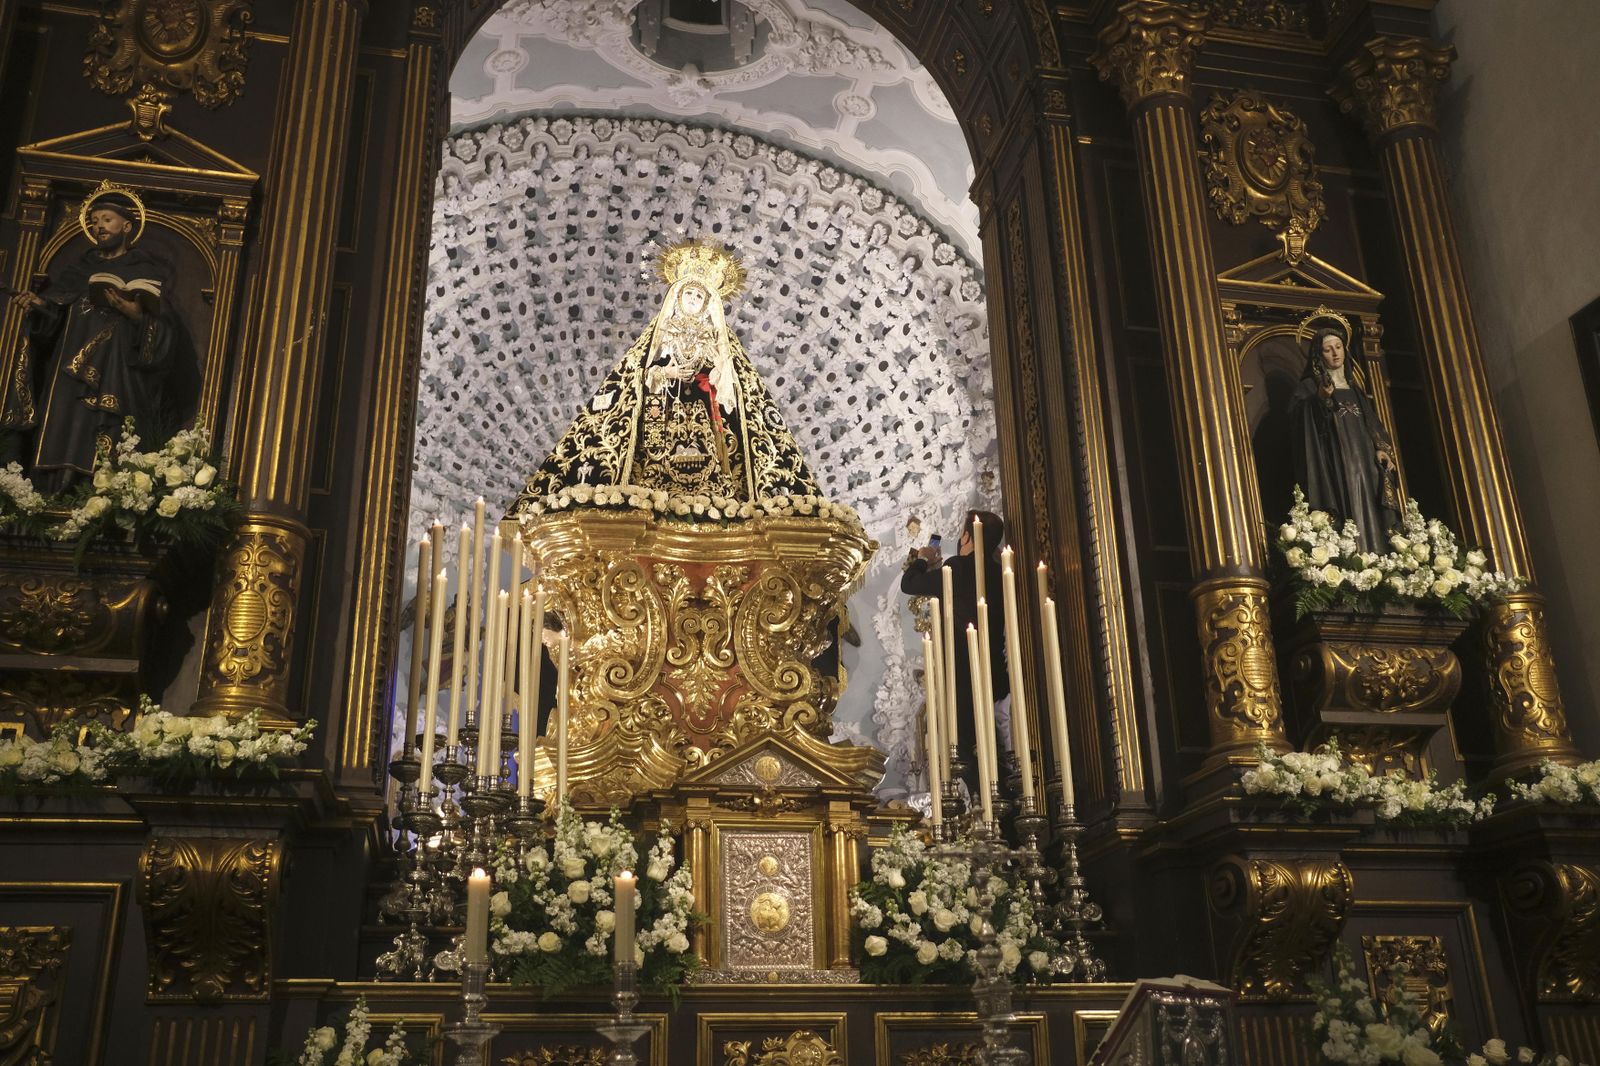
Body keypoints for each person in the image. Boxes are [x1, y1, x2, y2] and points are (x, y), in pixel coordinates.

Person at [5, 186, 194, 494]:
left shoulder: (143, 270)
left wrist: (134, 315)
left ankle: (99, 489)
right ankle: (50, 485)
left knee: (106, 425)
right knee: (64, 419)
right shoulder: (79, 268)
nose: (99, 226)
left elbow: (164, 337)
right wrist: (40, 307)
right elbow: (54, 318)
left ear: (127, 226)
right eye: (94, 221)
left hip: (117, 370)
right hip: (68, 366)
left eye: (107, 219)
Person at [899, 509, 1009, 787]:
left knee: (966, 747)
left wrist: (924, 558)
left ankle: (982, 808)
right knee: (996, 746)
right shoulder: (1000, 573)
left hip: (961, 670)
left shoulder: (958, 567)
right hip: (996, 671)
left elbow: (909, 584)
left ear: (966, 536)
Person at [1290, 326, 1400, 554]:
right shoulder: (1309, 387)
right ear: (1319, 356)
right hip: (1336, 460)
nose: (1335, 353)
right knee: (1346, 501)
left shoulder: (1355, 389)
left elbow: (1370, 423)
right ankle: (1353, 554)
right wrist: (1320, 399)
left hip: (1365, 460)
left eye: (1338, 347)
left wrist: (1380, 448)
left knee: (1371, 502)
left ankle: (1378, 554)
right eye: (1328, 350)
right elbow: (1305, 427)